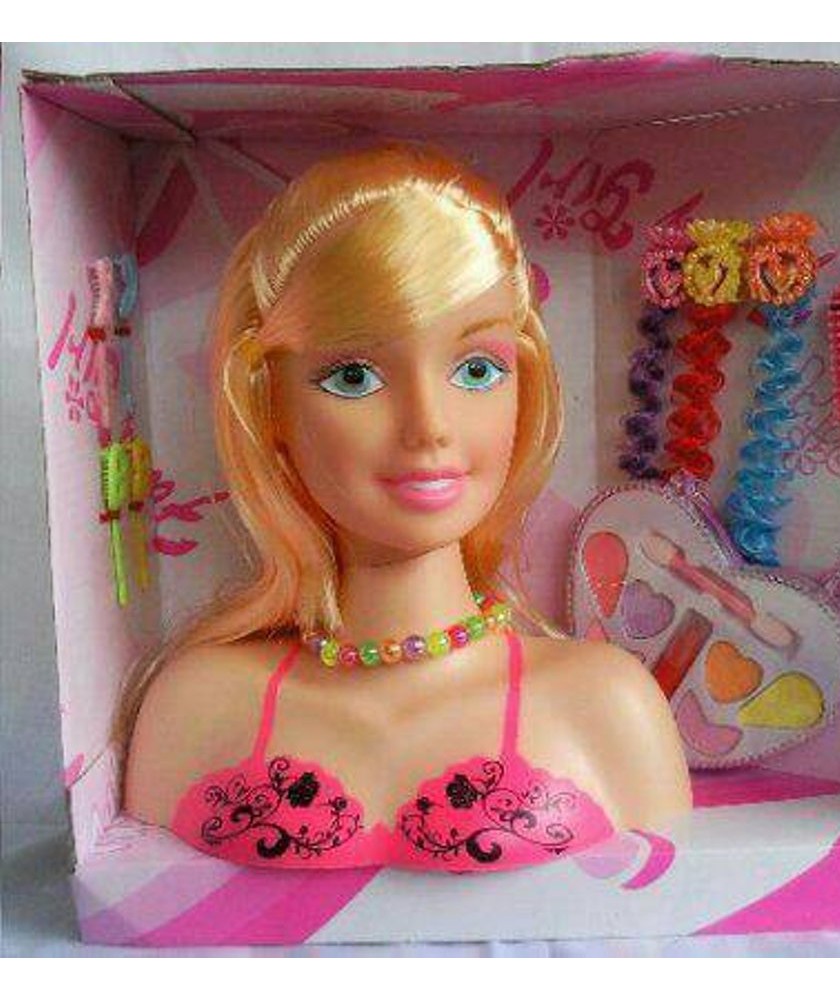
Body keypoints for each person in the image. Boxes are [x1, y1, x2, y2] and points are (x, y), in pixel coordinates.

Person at [117, 140, 691, 872]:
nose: (429, 426)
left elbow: (676, 908)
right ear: (271, 408)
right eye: (354, 377)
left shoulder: (607, 702)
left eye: (476, 370)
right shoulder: (197, 704)